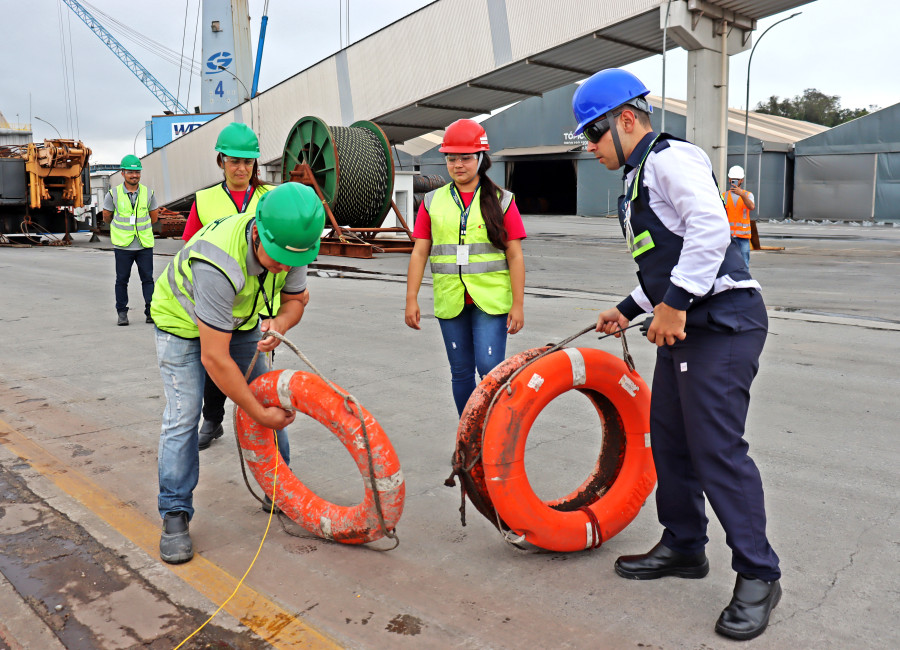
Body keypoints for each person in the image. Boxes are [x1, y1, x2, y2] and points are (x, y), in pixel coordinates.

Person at [573, 69, 780, 641]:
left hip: (724, 320)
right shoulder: (639, 178)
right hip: (689, 324)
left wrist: (676, 304)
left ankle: (760, 574)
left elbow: (712, 228)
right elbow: (667, 265)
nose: (590, 149)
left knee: (716, 448)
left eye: (593, 135)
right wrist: (630, 307)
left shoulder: (669, 159)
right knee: (670, 440)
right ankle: (685, 545)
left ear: (627, 120)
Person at [150, 182, 324, 564]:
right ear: (259, 231)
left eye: (289, 261)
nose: (282, 266)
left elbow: (296, 300)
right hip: (181, 324)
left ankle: (279, 486)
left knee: (266, 393)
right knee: (184, 415)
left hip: (240, 320)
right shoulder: (218, 261)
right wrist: (257, 414)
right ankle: (175, 513)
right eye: (276, 257)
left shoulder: (292, 244)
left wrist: (279, 322)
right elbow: (215, 358)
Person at [404, 119, 526, 417]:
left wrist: (519, 305)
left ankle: (491, 437)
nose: (458, 164)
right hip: (451, 300)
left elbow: (515, 256)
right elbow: (420, 252)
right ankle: (468, 438)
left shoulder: (502, 200)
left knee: (489, 370)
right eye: (451, 158)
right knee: (460, 372)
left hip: (491, 301)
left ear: (481, 159)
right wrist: (411, 299)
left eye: (465, 157)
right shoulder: (432, 202)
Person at [181, 122, 275, 451]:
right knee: (214, 367)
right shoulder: (205, 201)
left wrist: (274, 314)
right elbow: (189, 250)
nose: (241, 168)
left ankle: (272, 466)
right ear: (221, 161)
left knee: (257, 381)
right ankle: (213, 419)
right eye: (234, 160)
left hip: (256, 305)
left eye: (247, 162)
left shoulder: (270, 199)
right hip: (215, 302)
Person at [102, 155, 159, 326]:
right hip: (123, 245)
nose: (134, 175)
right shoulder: (113, 195)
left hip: (144, 245)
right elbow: (106, 217)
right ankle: (122, 313)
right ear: (123, 173)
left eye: (137, 172)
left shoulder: (149, 194)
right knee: (122, 280)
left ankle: (151, 312)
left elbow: (154, 217)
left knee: (148, 279)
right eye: (130, 172)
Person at [723, 165, 755, 268]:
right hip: (728, 236)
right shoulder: (724, 196)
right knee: (727, 263)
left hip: (743, 237)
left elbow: (751, 206)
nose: (734, 182)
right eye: (733, 179)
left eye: (736, 180)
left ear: (741, 180)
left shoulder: (748, 195)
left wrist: (742, 195)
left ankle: (744, 283)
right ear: (729, 179)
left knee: (744, 264)